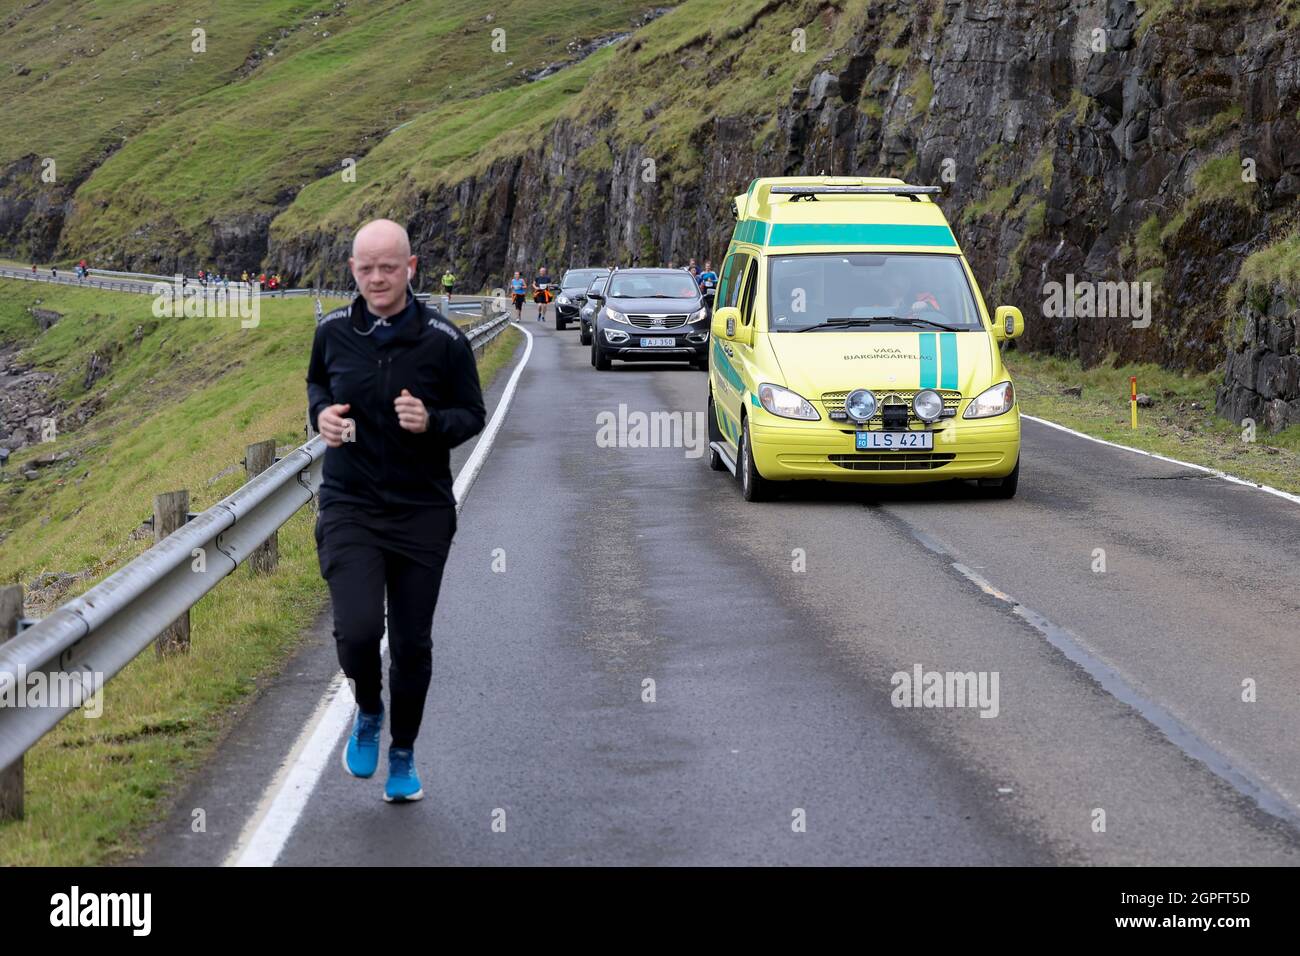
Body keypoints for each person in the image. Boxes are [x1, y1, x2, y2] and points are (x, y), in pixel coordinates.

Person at [307, 219, 486, 803]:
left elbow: (472, 414)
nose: (378, 278)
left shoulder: (444, 340)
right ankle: (367, 708)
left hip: (420, 512)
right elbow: (316, 386)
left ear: (411, 268)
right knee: (358, 633)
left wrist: (432, 422)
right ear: (353, 271)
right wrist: (322, 419)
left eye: (389, 267)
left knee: (411, 645)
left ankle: (403, 752)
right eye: (367, 268)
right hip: (349, 504)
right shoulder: (333, 331)